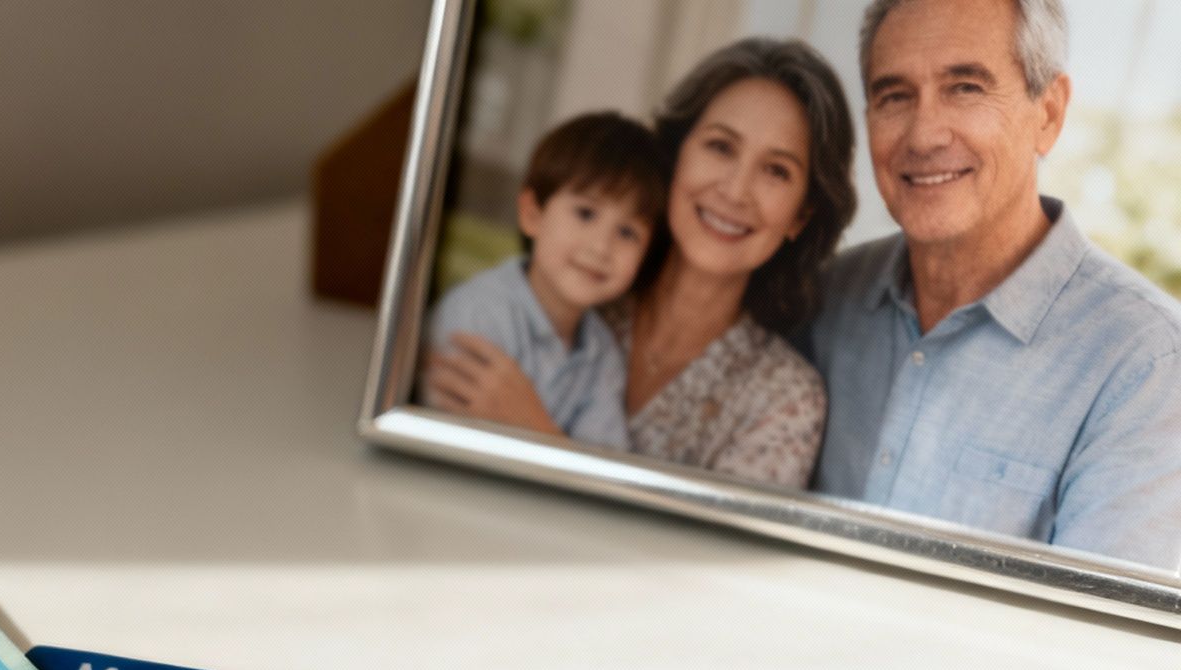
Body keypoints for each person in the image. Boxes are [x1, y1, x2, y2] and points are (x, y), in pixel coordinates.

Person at [804, 0, 1181, 569]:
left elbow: (1094, 643)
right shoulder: (827, 299)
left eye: (966, 88)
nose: (924, 134)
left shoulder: (1147, 365)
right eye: (895, 96)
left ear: (1048, 114)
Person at [429, 38, 858, 489]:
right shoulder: (578, 289)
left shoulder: (784, 400)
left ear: (800, 216)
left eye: (776, 171)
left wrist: (540, 439)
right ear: (676, 156)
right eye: (720, 147)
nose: (735, 191)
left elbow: (702, 561)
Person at [421, 112, 668, 450]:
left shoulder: (602, 354)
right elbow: (443, 443)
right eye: (585, 213)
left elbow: (601, 469)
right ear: (532, 215)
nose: (601, 247)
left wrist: (535, 428)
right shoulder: (481, 315)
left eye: (627, 232)